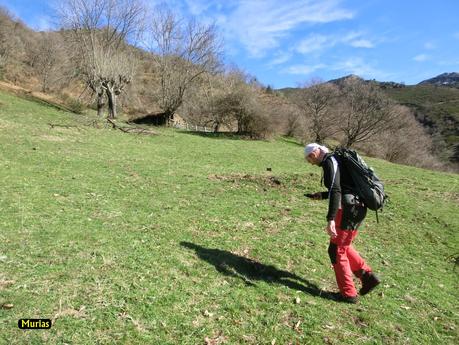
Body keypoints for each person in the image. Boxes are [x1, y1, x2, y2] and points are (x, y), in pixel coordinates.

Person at [304, 143, 380, 303]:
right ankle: (367, 277)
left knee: (336, 250)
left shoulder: (330, 162)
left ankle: (348, 294)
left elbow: (336, 189)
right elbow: (342, 188)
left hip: (348, 210)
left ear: (315, 153)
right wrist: (323, 195)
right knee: (343, 246)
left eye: (309, 159)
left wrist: (330, 218)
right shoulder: (335, 160)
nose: (310, 163)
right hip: (356, 207)